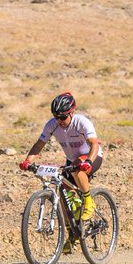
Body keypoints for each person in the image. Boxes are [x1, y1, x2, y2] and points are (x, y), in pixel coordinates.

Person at [20, 92, 103, 220]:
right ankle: (72, 234)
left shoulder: (82, 122)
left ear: (72, 113)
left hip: (91, 156)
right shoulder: (51, 125)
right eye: (56, 117)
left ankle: (89, 201)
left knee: (77, 168)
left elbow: (94, 144)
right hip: (71, 160)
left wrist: (88, 162)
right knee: (64, 198)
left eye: (63, 117)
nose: (59, 121)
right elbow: (39, 144)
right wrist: (28, 161)